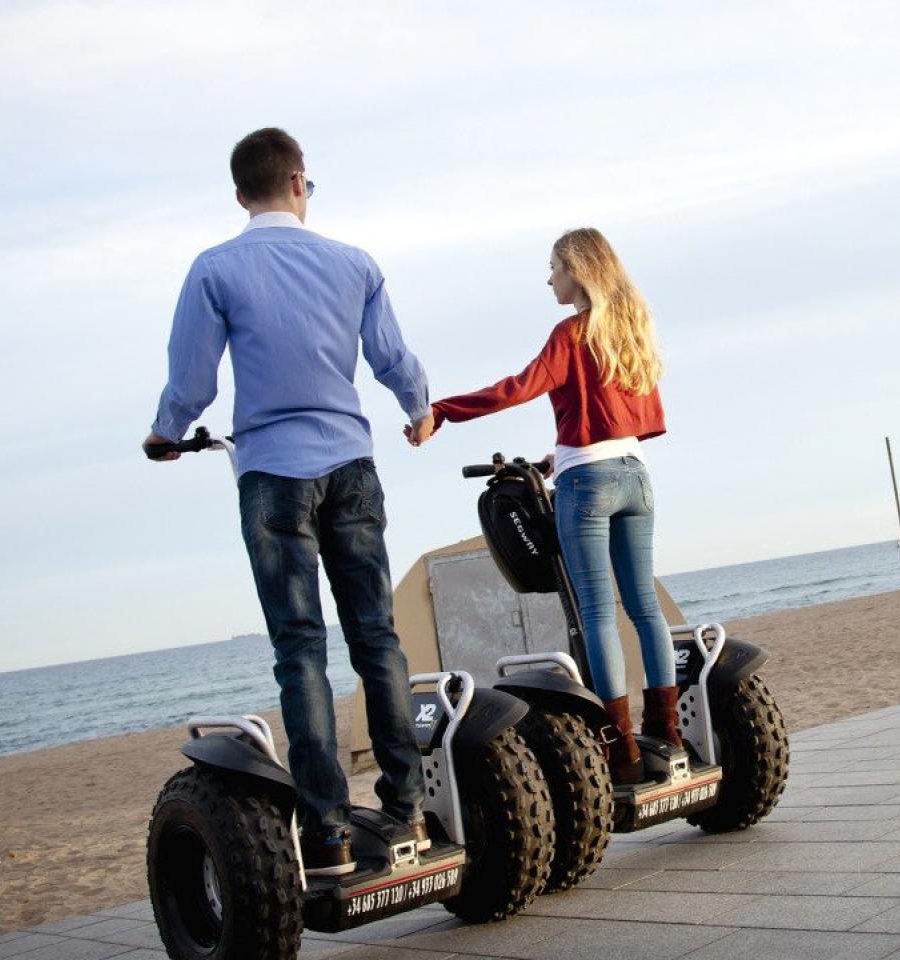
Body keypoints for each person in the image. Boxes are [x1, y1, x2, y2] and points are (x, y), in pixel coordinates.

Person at [144, 127, 437, 876]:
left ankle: (330, 832)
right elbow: (393, 359)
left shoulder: (215, 268)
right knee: (377, 638)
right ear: (301, 183)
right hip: (352, 465)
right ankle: (405, 810)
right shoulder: (354, 263)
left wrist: (165, 432)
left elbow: (193, 379)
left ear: (241, 195)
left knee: (300, 649)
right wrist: (418, 407)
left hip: (273, 473)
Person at [422, 228, 672, 783]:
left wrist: (444, 410)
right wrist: (555, 456)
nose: (549, 278)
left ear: (578, 270)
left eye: (555, 267)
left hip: (589, 486)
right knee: (646, 609)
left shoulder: (571, 333)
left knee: (597, 615)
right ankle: (669, 733)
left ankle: (621, 750)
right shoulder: (631, 328)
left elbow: (518, 387)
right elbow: (625, 422)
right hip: (636, 477)